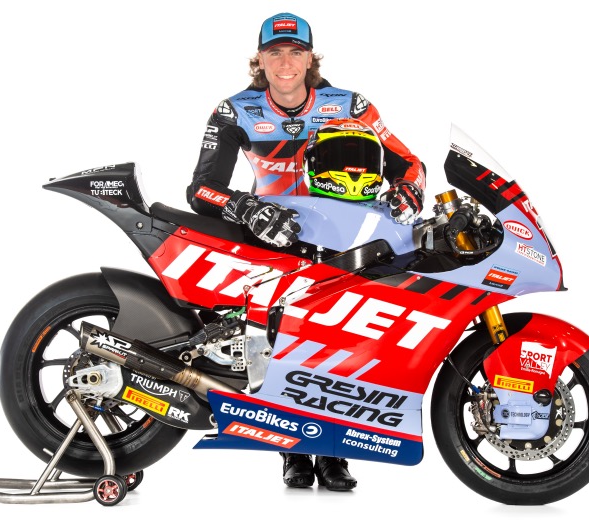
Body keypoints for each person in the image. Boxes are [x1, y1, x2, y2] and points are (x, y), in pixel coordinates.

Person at [185, 12, 426, 492]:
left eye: (295, 52)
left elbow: (409, 163)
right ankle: (292, 449)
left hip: (345, 234)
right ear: (259, 59)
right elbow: (201, 189)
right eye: (274, 52)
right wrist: (246, 207)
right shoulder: (235, 110)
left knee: (341, 341)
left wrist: (409, 191)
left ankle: (335, 451)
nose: (285, 63)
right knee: (279, 341)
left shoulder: (350, 104)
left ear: (311, 57)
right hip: (272, 237)